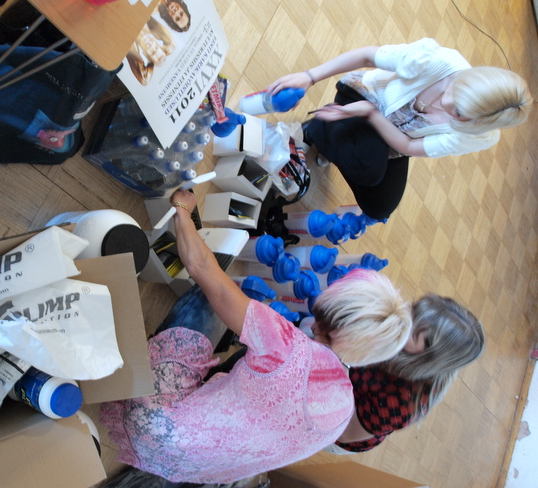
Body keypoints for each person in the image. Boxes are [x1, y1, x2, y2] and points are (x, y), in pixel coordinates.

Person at [100, 189, 412, 484]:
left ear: (328, 311)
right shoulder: (343, 412)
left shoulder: (286, 344)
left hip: (155, 427)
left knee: (208, 297)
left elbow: (200, 265)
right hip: (192, 470)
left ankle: (129, 369)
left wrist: (182, 209)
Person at [267, 38, 532, 220]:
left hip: (388, 129)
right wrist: (310, 76)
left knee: (380, 208)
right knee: (367, 169)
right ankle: (319, 129)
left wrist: (369, 115)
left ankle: (333, 136)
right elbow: (367, 56)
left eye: (459, 114)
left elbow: (409, 146)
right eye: (456, 90)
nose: (446, 103)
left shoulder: (479, 135)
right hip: (365, 96)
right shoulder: (436, 60)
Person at [211, 293, 486, 454]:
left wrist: (331, 356)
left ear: (429, 358)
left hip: (338, 420)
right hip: (337, 371)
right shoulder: (398, 323)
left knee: (263, 405)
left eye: (414, 333)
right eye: (412, 310)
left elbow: (341, 430)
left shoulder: (403, 403)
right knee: (259, 367)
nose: (403, 322)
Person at [126, 16, 176, 85]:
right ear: (155, 42)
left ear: (145, 54)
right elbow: (171, 43)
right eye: (156, 47)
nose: (151, 46)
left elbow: (144, 80)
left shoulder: (129, 44)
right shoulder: (147, 23)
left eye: (152, 52)